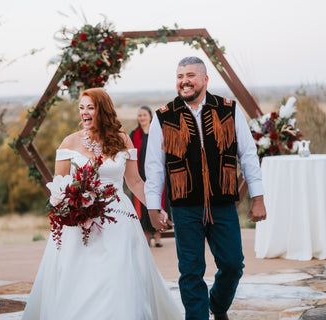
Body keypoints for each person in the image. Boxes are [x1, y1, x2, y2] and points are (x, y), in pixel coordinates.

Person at [21, 88, 183, 320]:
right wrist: (69, 208)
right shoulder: (69, 142)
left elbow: (135, 182)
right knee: (81, 276)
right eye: (81, 108)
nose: (84, 112)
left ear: (103, 110)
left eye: (90, 107)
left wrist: (155, 208)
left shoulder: (122, 139)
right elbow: (59, 186)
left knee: (117, 274)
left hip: (119, 219)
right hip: (80, 223)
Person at [144, 56, 267, 320]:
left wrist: (258, 197)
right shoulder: (163, 117)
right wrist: (153, 207)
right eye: (179, 76)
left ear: (205, 79)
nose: (184, 81)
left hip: (223, 203)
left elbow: (247, 155)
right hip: (185, 206)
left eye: (190, 75)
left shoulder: (229, 109)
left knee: (233, 265)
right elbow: (154, 166)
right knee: (190, 271)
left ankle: (218, 306)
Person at [130, 106, 164, 247]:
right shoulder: (134, 134)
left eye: (144, 115)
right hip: (139, 175)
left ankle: (157, 237)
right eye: (140, 115)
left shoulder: (158, 132)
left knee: (157, 202)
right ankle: (145, 236)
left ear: (150, 116)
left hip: (155, 173)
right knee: (143, 207)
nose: (142, 117)